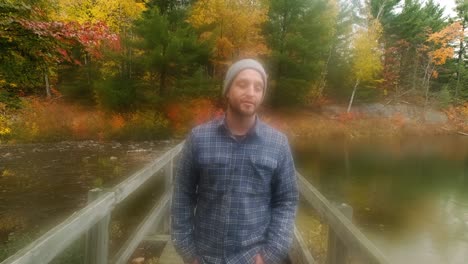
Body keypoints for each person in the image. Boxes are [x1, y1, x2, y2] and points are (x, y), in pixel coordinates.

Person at [171, 58, 299, 264]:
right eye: (242, 84)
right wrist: (187, 250)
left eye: (258, 87)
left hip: (252, 258)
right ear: (227, 90)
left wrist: (271, 254)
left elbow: (286, 200)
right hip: (204, 256)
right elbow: (182, 194)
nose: (251, 92)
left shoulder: (278, 143)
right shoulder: (199, 138)